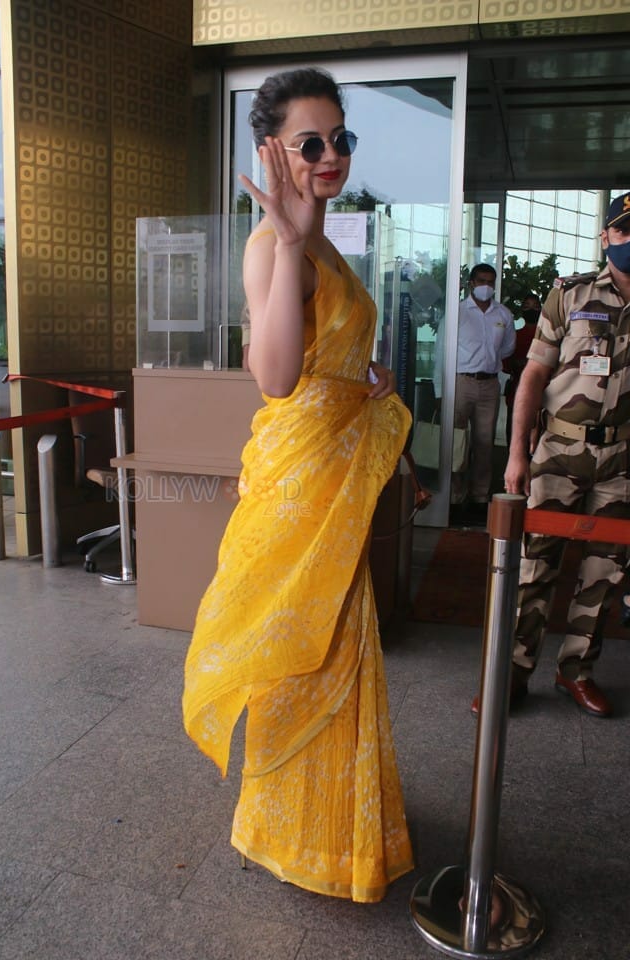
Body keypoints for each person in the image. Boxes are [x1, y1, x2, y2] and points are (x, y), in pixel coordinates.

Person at [182, 67, 414, 902]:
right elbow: (277, 377)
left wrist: (366, 376)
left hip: (331, 473)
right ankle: (290, 830)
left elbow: (327, 357)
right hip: (299, 484)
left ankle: (334, 827)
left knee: (338, 644)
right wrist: (283, 242)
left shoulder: (321, 237)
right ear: (270, 150)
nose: (330, 155)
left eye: (340, 140)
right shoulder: (273, 243)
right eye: (309, 142)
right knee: (303, 650)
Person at [473, 190, 630, 719]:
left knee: (604, 571)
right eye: (623, 231)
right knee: (532, 566)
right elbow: (533, 375)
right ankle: (511, 675)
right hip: (558, 453)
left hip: (623, 463)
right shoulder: (570, 294)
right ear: (606, 236)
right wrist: (517, 455)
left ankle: (575, 671)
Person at [435, 264, 515, 521]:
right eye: (481, 281)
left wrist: (488, 362)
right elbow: (441, 353)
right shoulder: (456, 313)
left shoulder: (503, 314)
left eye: (491, 282)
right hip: (461, 382)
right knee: (456, 442)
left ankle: (480, 497)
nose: (486, 286)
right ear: (471, 283)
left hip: (489, 384)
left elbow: (507, 349)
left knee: (484, 444)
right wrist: (440, 391)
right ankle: (455, 497)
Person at [502, 293, 542, 446]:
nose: (532, 310)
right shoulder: (514, 336)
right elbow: (506, 365)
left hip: (543, 395)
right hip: (516, 393)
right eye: (527, 306)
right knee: (515, 438)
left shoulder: (548, 337)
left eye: (536, 306)